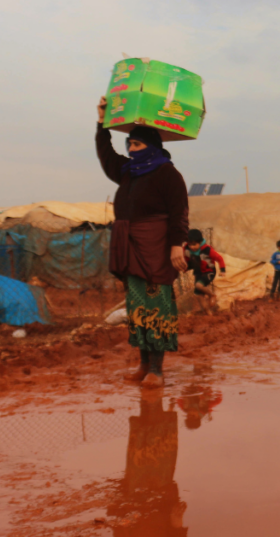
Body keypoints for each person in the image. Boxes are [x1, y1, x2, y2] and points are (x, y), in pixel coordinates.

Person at [96, 97, 189, 389]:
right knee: (137, 307)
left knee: (157, 306)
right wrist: (102, 122)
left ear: (152, 146)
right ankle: (143, 364)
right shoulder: (128, 172)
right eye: (130, 146)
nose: (131, 150)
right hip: (131, 247)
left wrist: (177, 245)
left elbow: (179, 213)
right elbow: (106, 156)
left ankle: (157, 371)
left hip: (156, 248)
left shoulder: (167, 173)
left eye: (136, 145)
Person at [108, 388, 189, 537]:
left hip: (135, 496)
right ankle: (152, 396)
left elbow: (117, 525)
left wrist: (117, 504)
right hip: (162, 497)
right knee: (160, 447)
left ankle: (148, 398)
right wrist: (176, 525)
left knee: (141, 448)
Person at [184, 229, 226, 313]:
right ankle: (208, 312)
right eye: (190, 244)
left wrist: (222, 270)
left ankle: (212, 295)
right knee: (198, 295)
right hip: (198, 272)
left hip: (209, 271)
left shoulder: (207, 250)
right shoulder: (186, 249)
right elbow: (183, 257)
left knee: (199, 285)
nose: (192, 247)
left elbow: (219, 258)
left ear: (200, 242)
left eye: (194, 244)